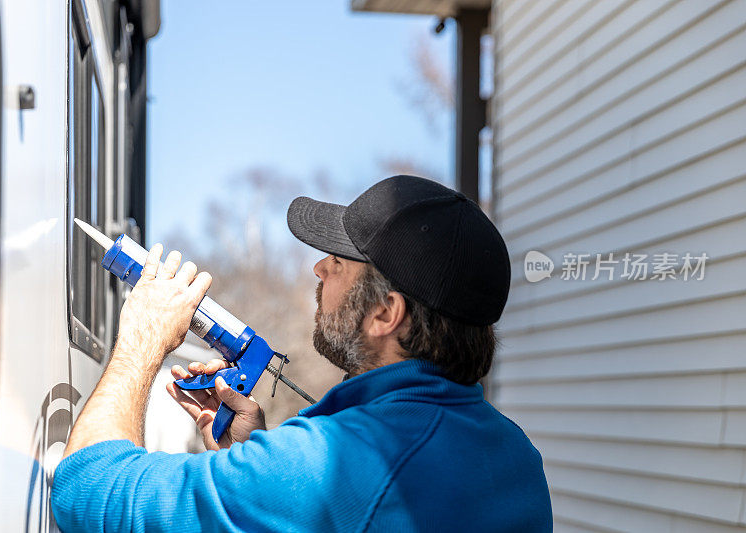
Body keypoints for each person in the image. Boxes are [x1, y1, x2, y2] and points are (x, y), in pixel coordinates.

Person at [52, 175, 552, 532]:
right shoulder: (515, 457)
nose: (318, 270)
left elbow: (85, 491)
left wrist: (143, 337)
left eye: (337, 262)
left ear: (384, 314)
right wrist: (248, 463)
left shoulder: (330, 463)